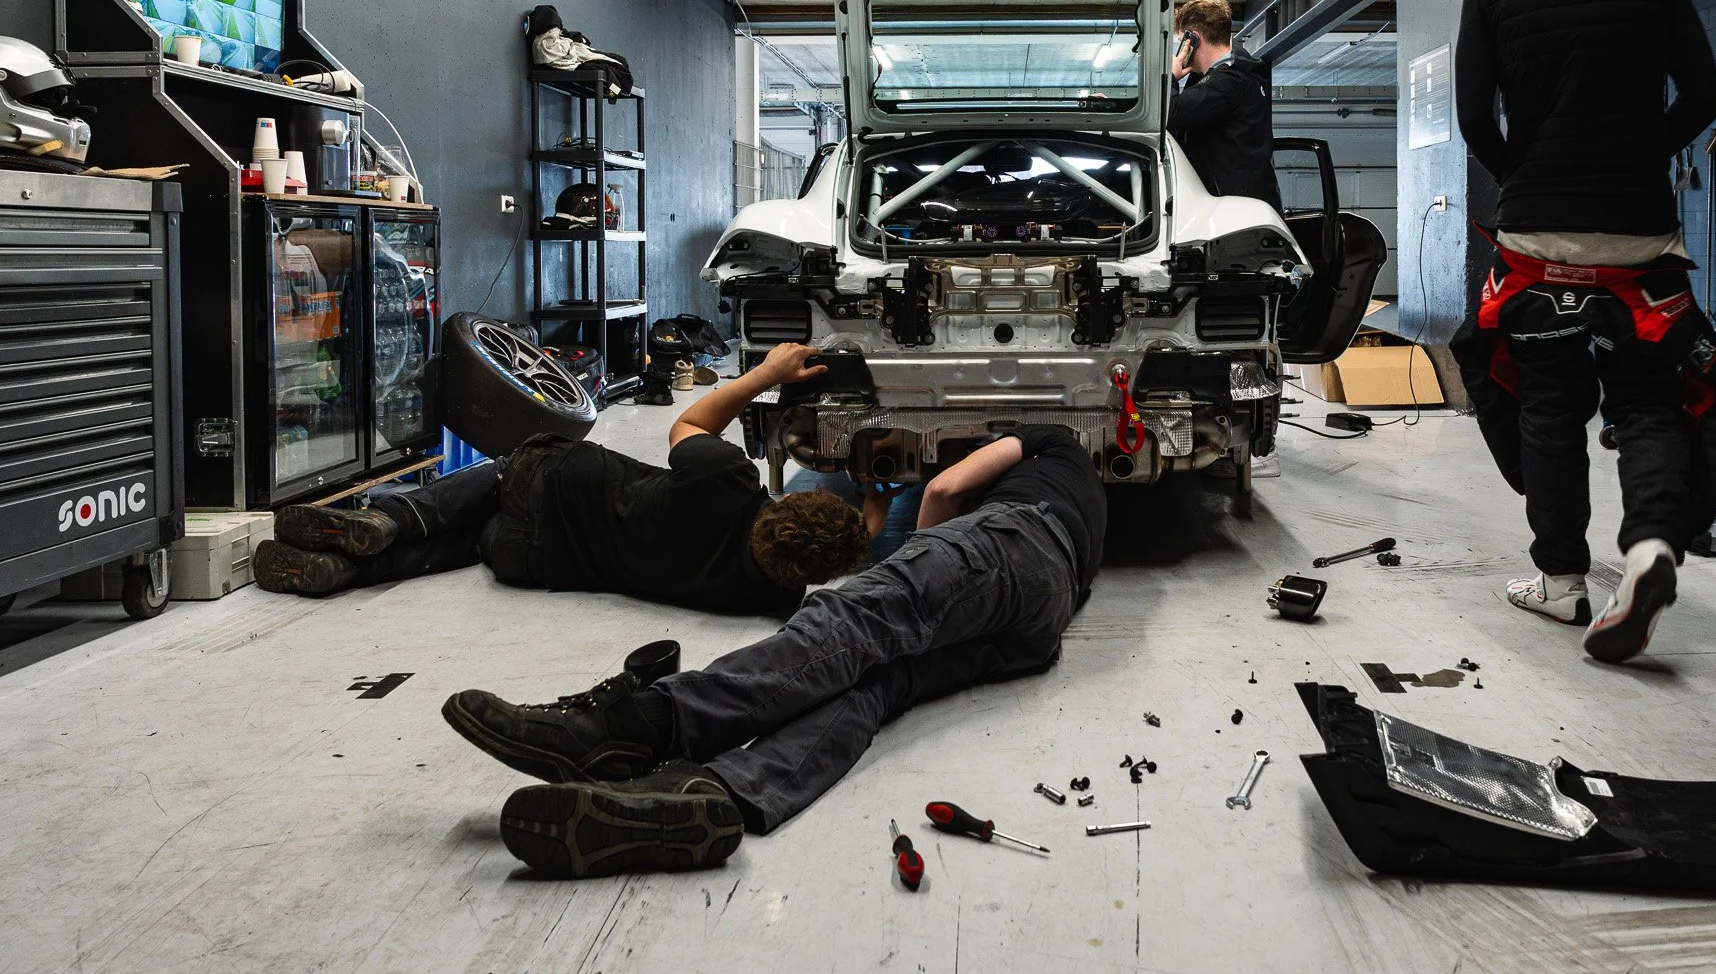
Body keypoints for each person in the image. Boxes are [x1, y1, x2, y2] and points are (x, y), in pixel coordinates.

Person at [439, 425, 1107, 878]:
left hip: (1015, 542)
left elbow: (943, 490)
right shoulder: (1092, 499)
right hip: (1041, 623)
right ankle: (712, 793)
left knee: (856, 618)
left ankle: (632, 726)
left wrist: (905, 564)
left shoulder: (1055, 442)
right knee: (877, 684)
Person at [1448, 0, 1716, 664]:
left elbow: (1474, 117)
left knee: (1548, 405)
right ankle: (1653, 546)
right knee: (1651, 397)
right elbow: (1706, 94)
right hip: (1637, 235)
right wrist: (1641, 153)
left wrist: (1525, 172)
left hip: (1539, 235)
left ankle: (1560, 581)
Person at [252, 342, 878, 615]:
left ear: (800, 503)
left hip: (550, 485)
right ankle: (354, 569)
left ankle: (386, 519)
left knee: (504, 473)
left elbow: (688, 423)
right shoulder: (768, 597)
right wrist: (870, 526)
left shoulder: (729, 484)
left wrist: (767, 375)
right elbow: (831, 559)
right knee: (477, 535)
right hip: (527, 560)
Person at [1166, 0, 1283, 212]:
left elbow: (1170, 113)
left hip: (1235, 215)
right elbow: (1177, 124)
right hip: (1241, 209)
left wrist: (1170, 77)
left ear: (1193, 40)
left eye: (1182, 41)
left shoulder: (1229, 82)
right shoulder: (1235, 75)